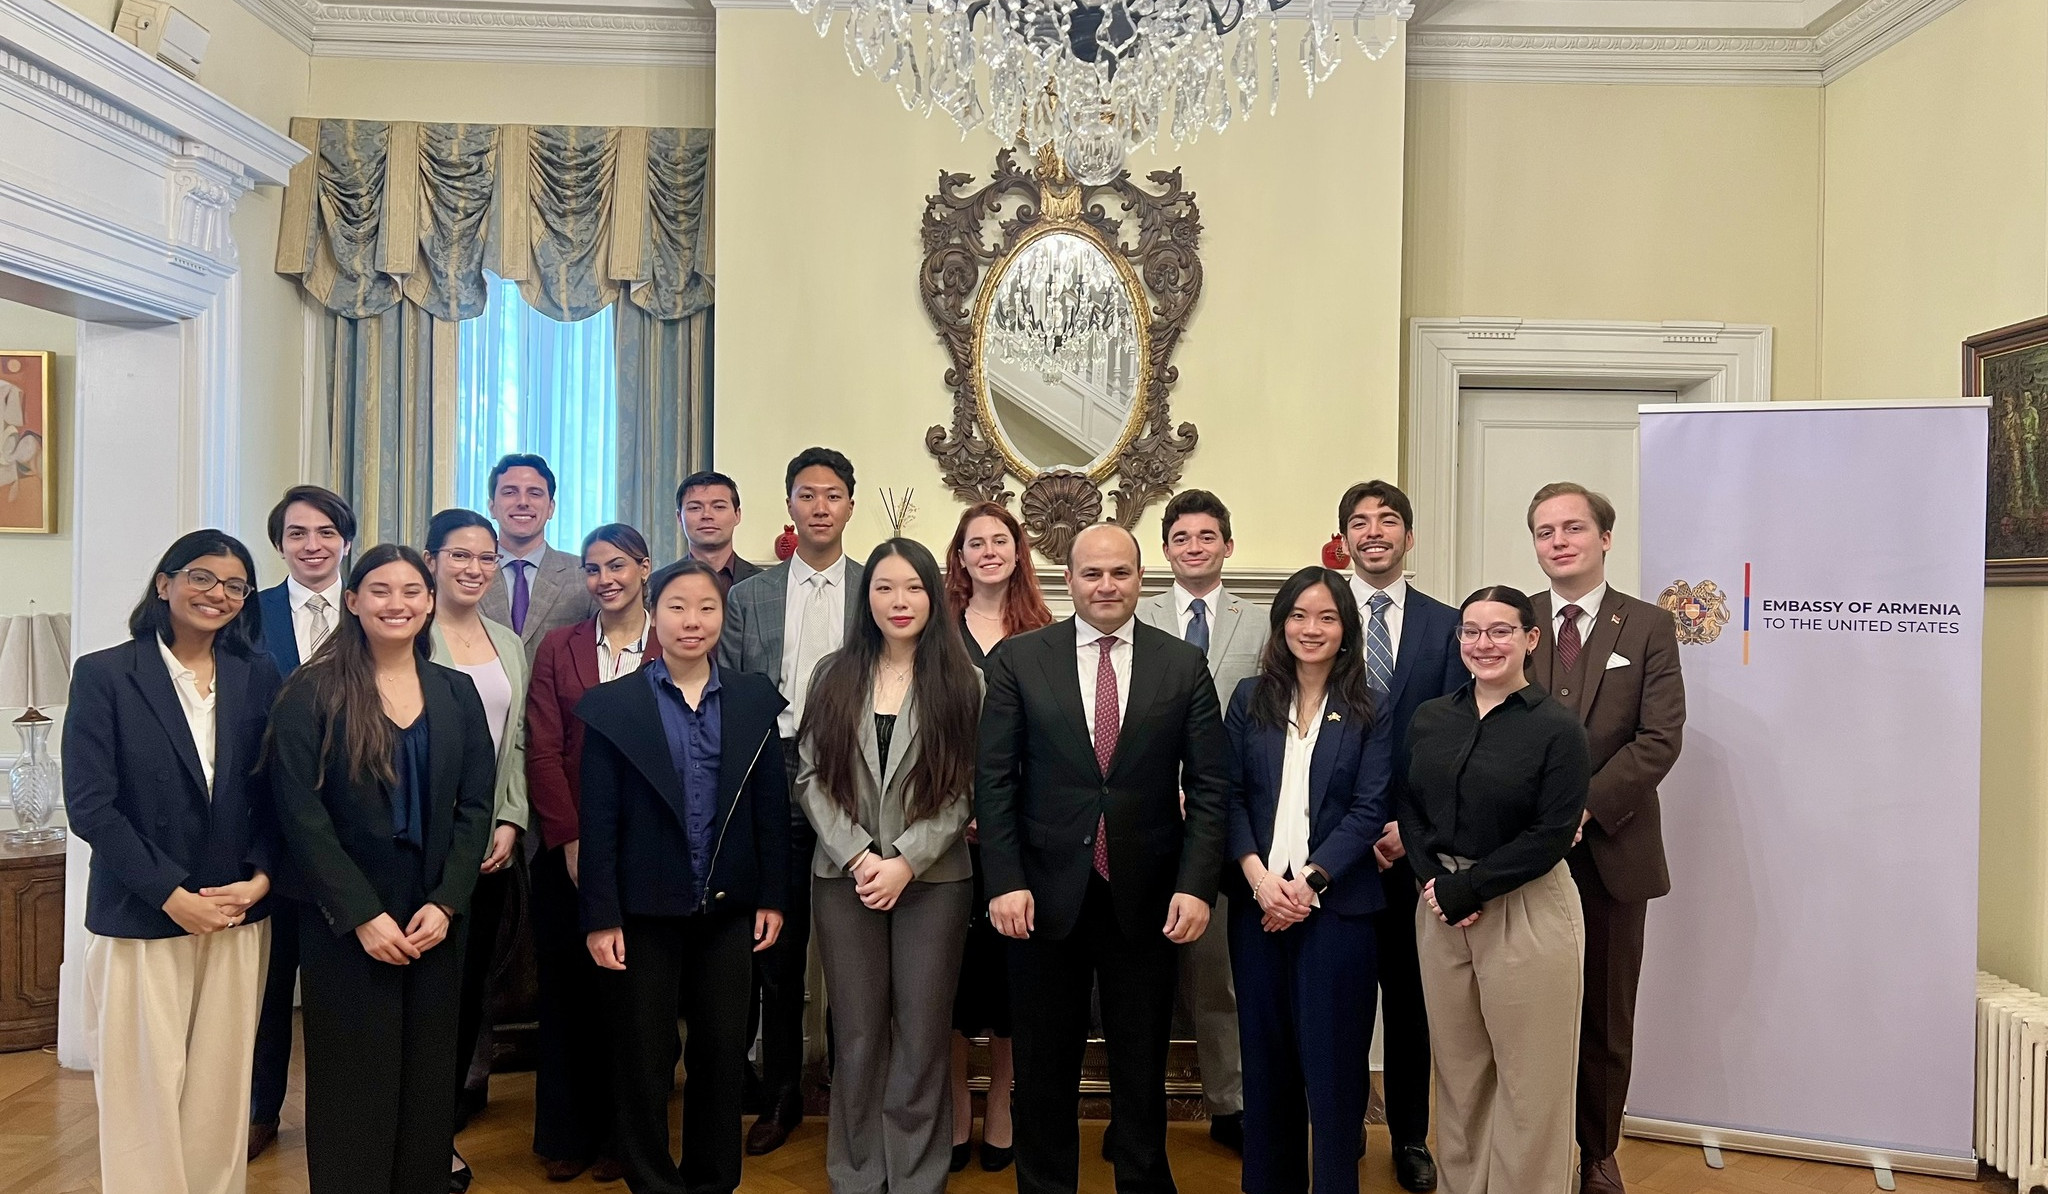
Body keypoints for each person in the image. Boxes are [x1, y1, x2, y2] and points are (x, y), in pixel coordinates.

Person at [976, 522, 1230, 1194]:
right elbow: (993, 781)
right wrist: (1003, 880)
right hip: (1040, 897)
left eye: (1120, 573)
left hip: (1147, 898)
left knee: (1140, 1065)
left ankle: (1145, 1183)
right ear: (1070, 578)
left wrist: (1198, 885)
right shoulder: (1019, 660)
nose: (1107, 585)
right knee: (1042, 1065)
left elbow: (1210, 787)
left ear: (1140, 578)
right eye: (1093, 574)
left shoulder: (1182, 664)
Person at [265, 544, 497, 1194]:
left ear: (429, 603)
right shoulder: (310, 692)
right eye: (381, 591)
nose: (397, 604)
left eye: (411, 592)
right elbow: (300, 815)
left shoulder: (455, 691)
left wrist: (449, 901)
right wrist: (362, 916)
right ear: (353, 601)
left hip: (434, 915)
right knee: (352, 1084)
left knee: (428, 1079)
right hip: (345, 918)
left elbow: (476, 804)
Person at [67, 530, 283, 1194]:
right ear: (164, 583)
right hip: (144, 913)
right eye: (202, 578)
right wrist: (171, 895)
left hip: (238, 912)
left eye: (234, 585)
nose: (217, 594)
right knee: (143, 1090)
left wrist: (262, 880)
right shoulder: (106, 673)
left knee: (221, 1090)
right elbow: (92, 806)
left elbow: (280, 793)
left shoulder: (258, 675)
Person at [578, 559, 791, 1194]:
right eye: (676, 606)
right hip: (643, 911)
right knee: (644, 1058)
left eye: (705, 607)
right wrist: (600, 914)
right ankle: (652, 1181)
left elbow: (769, 808)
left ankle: (713, 1178)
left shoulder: (753, 698)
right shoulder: (615, 706)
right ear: (654, 615)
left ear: (722, 617)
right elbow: (600, 819)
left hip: (729, 908)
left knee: (722, 1053)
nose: (691, 621)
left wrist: (774, 895)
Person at [800, 539, 980, 1194]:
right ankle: (855, 1171)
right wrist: (856, 854)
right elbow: (811, 777)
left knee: (923, 1032)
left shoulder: (963, 680)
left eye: (912, 587)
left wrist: (905, 859)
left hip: (933, 882)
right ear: (865, 597)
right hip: (843, 880)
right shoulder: (832, 673)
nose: (898, 601)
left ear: (933, 595)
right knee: (855, 1031)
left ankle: (914, 1174)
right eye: (883, 587)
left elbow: (965, 788)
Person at [1524, 482, 1686, 1194]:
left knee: (1606, 1012)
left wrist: (1581, 808)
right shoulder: (1512, 620)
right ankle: (1534, 1146)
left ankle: (1596, 1151)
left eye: (1572, 528)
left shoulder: (1648, 626)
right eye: (1544, 531)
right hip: (1521, 857)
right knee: (1526, 1007)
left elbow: (1659, 739)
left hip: (1614, 852)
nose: (1558, 541)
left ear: (1604, 538)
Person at [1402, 585, 1589, 1194]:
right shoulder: (1433, 717)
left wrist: (1472, 887)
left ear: (1531, 640)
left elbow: (1553, 831)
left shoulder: (1558, 729)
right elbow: (1409, 807)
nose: (1484, 644)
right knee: (1459, 1075)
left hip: (1525, 907)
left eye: (1500, 630)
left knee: (1532, 1083)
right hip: (1440, 907)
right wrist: (1434, 878)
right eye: (1472, 632)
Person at [1225, 566, 1393, 1194]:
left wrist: (1310, 884)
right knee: (1265, 1065)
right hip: (1258, 905)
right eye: (1298, 615)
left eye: (1326, 616)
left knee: (1334, 1066)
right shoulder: (1249, 699)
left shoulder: (1368, 707)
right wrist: (1258, 879)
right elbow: (1230, 795)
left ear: (1345, 627)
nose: (1311, 628)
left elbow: (1369, 808)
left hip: (1337, 910)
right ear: (1281, 624)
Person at [719, 446, 864, 1154]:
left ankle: (852, 1092)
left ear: (849, 506)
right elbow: (734, 698)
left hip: (855, 777)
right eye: (806, 495)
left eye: (832, 495)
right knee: (777, 949)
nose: (819, 507)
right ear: (789, 506)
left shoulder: (878, 589)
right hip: (771, 776)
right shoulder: (747, 598)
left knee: (857, 947)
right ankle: (780, 1097)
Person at [1341, 478, 1465, 1192]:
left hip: (1414, 845)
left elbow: (1451, 739)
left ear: (1408, 537)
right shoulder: (1318, 617)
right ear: (1345, 540)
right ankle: (1347, 1117)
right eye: (1360, 522)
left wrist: (1403, 825)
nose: (1375, 532)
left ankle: (1412, 1137)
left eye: (1388, 520)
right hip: (1338, 849)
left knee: (1413, 1000)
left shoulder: (1448, 624)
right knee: (1345, 993)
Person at [1134, 488, 1265, 1153]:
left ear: (1227, 546)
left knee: (1218, 976)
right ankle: (1139, 1112)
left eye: (1206, 536)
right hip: (1146, 818)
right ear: (1165, 551)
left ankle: (1230, 1102)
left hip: (1223, 819)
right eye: (1181, 538)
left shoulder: (1264, 622)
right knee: (1143, 977)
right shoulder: (1136, 614)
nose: (1194, 547)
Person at [526, 523, 656, 1182]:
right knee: (568, 993)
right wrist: (570, 837)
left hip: (650, 850)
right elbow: (543, 745)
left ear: (643, 567)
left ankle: (621, 1138)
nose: (605, 579)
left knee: (632, 1000)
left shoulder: (675, 641)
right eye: (593, 569)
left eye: (616, 566)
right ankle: (567, 1135)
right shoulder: (558, 647)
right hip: (570, 848)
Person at [940, 501, 1052, 1172]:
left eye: (999, 540)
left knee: (1015, 980)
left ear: (1017, 552)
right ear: (958, 557)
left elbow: (1056, 743)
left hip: (1022, 837)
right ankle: (957, 1102)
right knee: (952, 981)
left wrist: (1004, 811)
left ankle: (1004, 1102)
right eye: (973, 542)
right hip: (946, 836)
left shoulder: (1047, 634)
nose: (987, 551)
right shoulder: (936, 634)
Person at [423, 508, 531, 1190]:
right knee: (422, 997)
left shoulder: (508, 641)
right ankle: (414, 1134)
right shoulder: (410, 631)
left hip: (487, 847)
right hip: (422, 845)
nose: (472, 568)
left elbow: (515, 741)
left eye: (484, 557)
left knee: (467, 995)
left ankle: (440, 1133)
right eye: (458, 555)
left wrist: (512, 819)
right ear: (430, 558)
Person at [249, 483, 356, 1160]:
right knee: (266, 983)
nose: (311, 545)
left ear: (346, 539)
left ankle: (345, 1114)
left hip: (354, 830)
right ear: (280, 544)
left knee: (344, 988)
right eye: (296, 534)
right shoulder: (249, 616)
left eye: (324, 532)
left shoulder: (375, 605)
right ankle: (261, 1111)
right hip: (271, 829)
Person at [480, 453, 599, 659]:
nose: (523, 502)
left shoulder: (583, 574)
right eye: (510, 492)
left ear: (551, 508)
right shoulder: (469, 573)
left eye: (534, 493)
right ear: (492, 507)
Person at [678, 470, 762, 594]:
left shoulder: (764, 584)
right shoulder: (658, 583)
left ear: (737, 515)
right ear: (679, 517)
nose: (707, 515)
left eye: (719, 507)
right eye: (695, 508)